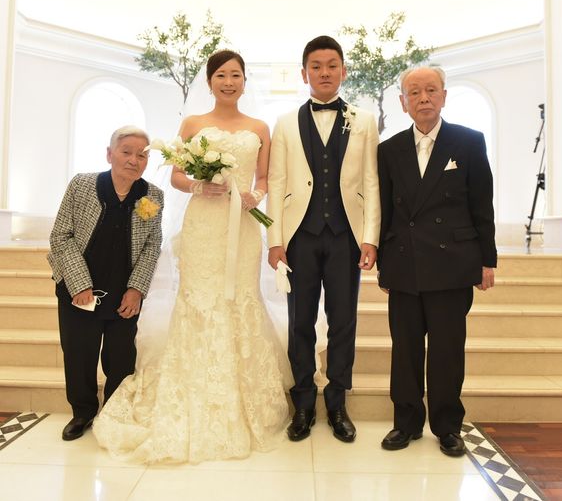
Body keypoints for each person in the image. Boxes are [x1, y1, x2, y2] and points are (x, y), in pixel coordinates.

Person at [93, 50, 289, 464]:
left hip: (243, 225)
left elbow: (265, 177)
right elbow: (177, 175)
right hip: (203, 223)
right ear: (210, 81)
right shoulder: (193, 124)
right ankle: (193, 388)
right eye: (221, 75)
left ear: (245, 81)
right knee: (200, 297)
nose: (229, 82)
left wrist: (255, 195)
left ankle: (245, 395)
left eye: (236, 75)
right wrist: (201, 186)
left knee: (240, 296)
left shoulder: (259, 127)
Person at [377, 66, 497, 457]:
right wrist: (383, 263)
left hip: (454, 263)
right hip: (404, 261)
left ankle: (447, 426)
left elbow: (482, 204)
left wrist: (487, 260)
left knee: (447, 350)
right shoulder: (389, 149)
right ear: (403, 102)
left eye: (431, 90)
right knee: (405, 348)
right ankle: (406, 422)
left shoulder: (469, 141)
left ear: (444, 96)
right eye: (414, 92)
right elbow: (385, 210)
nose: (423, 98)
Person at [267, 35, 380, 443]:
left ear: (343, 71)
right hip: (299, 236)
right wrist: (275, 240)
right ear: (304, 74)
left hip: (346, 235)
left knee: (343, 321)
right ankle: (302, 403)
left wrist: (370, 237)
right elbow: (276, 182)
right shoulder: (284, 123)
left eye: (332, 65)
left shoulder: (364, 120)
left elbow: (371, 180)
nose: (325, 72)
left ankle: (336, 403)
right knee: (300, 320)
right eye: (316, 66)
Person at [47, 126, 163, 441]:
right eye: (126, 152)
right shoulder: (82, 185)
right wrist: (79, 284)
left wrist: (136, 289)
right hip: (79, 287)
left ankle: (114, 411)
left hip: (124, 290)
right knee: (79, 353)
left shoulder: (153, 195)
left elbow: (152, 245)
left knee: (121, 356)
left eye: (142, 155)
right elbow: (61, 236)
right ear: (109, 154)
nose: (134, 160)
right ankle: (83, 412)